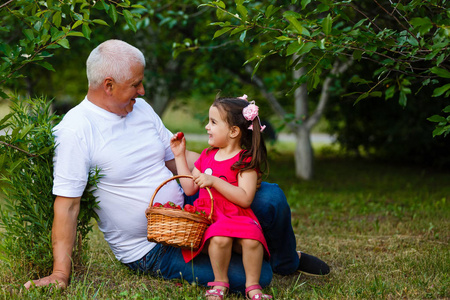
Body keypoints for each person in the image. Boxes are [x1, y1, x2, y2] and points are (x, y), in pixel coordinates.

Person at [23, 39, 329, 293]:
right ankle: (253, 251)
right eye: (136, 84)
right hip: (153, 246)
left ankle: (288, 260)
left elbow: (177, 157)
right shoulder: (75, 130)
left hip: (193, 208)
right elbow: (67, 206)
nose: (142, 91)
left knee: (271, 198)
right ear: (108, 85)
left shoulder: (139, 108)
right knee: (258, 277)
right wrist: (60, 273)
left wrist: (235, 166)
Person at [170, 96, 272, 299]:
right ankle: (220, 281)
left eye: (213, 122)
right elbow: (190, 188)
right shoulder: (207, 155)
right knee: (219, 238)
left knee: (253, 240)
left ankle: (252, 285)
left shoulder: (245, 160)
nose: (207, 127)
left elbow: (245, 199)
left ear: (234, 131)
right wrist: (180, 156)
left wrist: (214, 181)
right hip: (211, 217)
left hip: (238, 215)